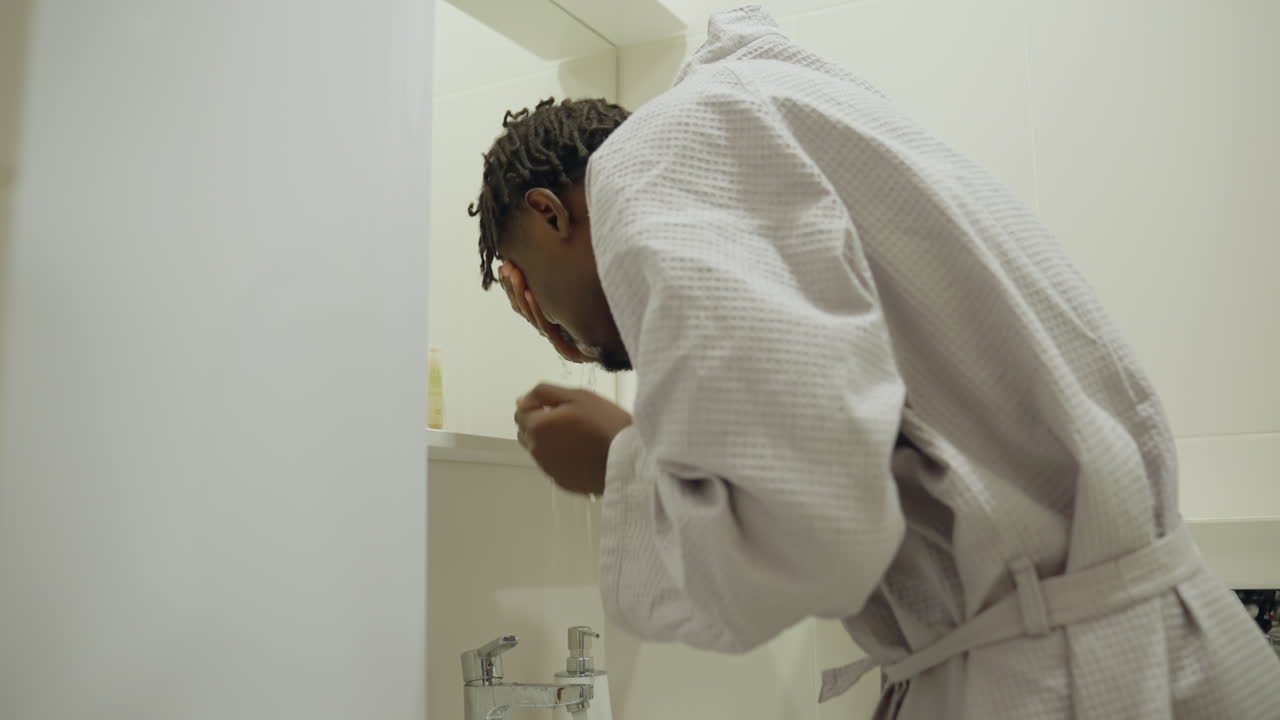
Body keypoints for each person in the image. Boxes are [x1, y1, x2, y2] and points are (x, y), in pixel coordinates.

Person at [466, 6, 1280, 718]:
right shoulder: (761, 121)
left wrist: (617, 463)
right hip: (1128, 640)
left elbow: (813, 532)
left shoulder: (649, 160)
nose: (552, 330)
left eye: (531, 293)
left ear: (549, 213)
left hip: (1071, 674)